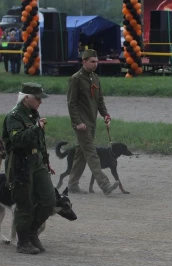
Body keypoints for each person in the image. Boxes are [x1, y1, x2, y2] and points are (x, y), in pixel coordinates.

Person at [2, 83, 55, 254]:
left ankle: (32, 233)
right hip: (20, 163)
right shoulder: (14, 116)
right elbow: (17, 141)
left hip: (36, 160)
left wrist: (46, 161)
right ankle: (23, 242)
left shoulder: (33, 114)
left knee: (49, 199)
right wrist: (35, 128)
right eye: (37, 98)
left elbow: (40, 141)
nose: (40, 102)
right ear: (26, 98)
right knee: (25, 203)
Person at [66, 49, 119, 195]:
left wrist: (105, 114)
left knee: (81, 154)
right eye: (92, 62)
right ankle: (105, 184)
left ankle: (72, 184)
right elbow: (71, 104)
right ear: (84, 62)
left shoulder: (95, 78)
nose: (95, 64)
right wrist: (77, 122)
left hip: (91, 122)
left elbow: (99, 100)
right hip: (81, 124)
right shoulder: (75, 79)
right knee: (91, 152)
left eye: (96, 61)